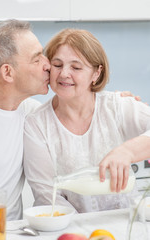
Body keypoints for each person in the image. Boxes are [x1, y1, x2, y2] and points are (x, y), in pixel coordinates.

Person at [24, 28, 150, 213]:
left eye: (76, 67)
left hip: (126, 224)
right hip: (70, 230)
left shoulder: (115, 106)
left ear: (96, 73)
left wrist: (127, 152)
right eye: (57, 65)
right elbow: (47, 195)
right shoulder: (37, 124)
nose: (64, 74)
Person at [0, 19, 50, 220]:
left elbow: (77, 117)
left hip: (11, 232)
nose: (48, 64)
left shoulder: (32, 114)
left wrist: (114, 102)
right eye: (36, 59)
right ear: (7, 72)